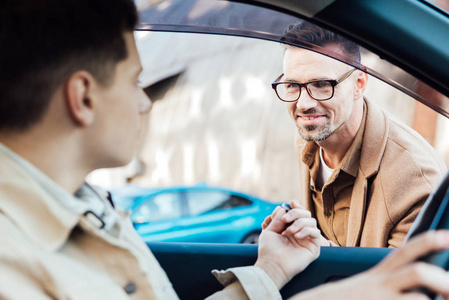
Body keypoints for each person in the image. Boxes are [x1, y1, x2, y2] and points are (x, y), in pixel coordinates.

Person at [1, 1, 449, 300]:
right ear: (83, 97)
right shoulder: (14, 268)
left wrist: (271, 270)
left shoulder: (85, 208)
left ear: (360, 83)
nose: (143, 101)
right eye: (134, 81)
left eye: (322, 84)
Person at [271, 20, 447, 248]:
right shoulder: (308, 139)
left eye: (322, 84)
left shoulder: (415, 179)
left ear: (359, 83)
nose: (304, 104)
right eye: (292, 85)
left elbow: (402, 281)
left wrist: (320, 251)